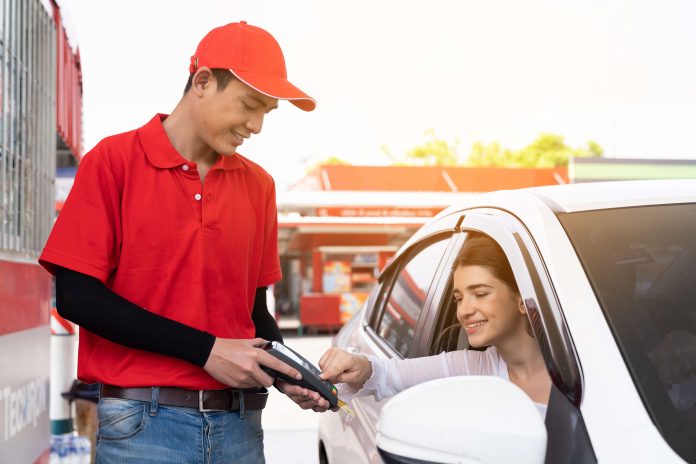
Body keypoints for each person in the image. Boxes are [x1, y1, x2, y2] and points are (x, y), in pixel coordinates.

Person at [39, 21, 330, 463]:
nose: (256, 125)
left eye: (267, 112)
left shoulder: (259, 185)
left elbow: (253, 312)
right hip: (142, 427)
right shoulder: (113, 162)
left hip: (240, 428)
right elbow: (77, 298)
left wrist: (290, 372)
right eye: (249, 105)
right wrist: (205, 351)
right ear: (203, 81)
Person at [318, 233, 552, 416]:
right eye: (459, 298)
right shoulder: (473, 368)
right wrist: (354, 367)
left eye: (480, 293)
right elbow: (388, 374)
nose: (464, 311)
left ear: (523, 300)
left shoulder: (580, 366)